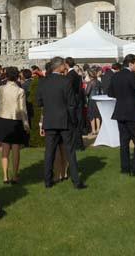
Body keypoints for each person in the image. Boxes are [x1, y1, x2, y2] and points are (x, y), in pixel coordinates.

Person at [37, 57, 85, 189]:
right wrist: (73, 120)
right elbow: (71, 103)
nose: (65, 66)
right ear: (59, 66)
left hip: (50, 120)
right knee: (70, 152)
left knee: (49, 152)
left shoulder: (43, 82)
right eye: (64, 64)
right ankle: (76, 181)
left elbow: (39, 102)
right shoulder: (65, 81)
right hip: (64, 120)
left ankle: (48, 180)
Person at [108, 54, 135, 176]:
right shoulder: (131, 76)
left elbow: (110, 92)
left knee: (124, 142)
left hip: (120, 112)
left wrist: (122, 96)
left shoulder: (116, 75)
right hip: (132, 113)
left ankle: (125, 168)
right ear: (131, 63)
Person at [0, 67, 29, 184]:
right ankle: (14, 175)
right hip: (15, 119)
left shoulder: (1, 88)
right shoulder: (20, 91)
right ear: (17, 77)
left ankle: (5, 176)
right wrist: (26, 125)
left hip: (3, 118)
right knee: (15, 149)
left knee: (5, 148)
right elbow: (23, 109)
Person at [64, 57, 84, 151]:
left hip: (73, 102)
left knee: (74, 123)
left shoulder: (70, 75)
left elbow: (69, 90)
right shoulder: (76, 75)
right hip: (78, 101)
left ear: (67, 64)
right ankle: (79, 144)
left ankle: (77, 144)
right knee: (77, 123)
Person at [85, 67, 103, 136]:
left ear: (89, 76)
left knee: (92, 115)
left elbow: (87, 92)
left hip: (92, 100)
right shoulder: (98, 82)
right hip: (98, 99)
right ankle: (98, 129)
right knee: (97, 115)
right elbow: (102, 91)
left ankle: (93, 130)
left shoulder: (91, 82)